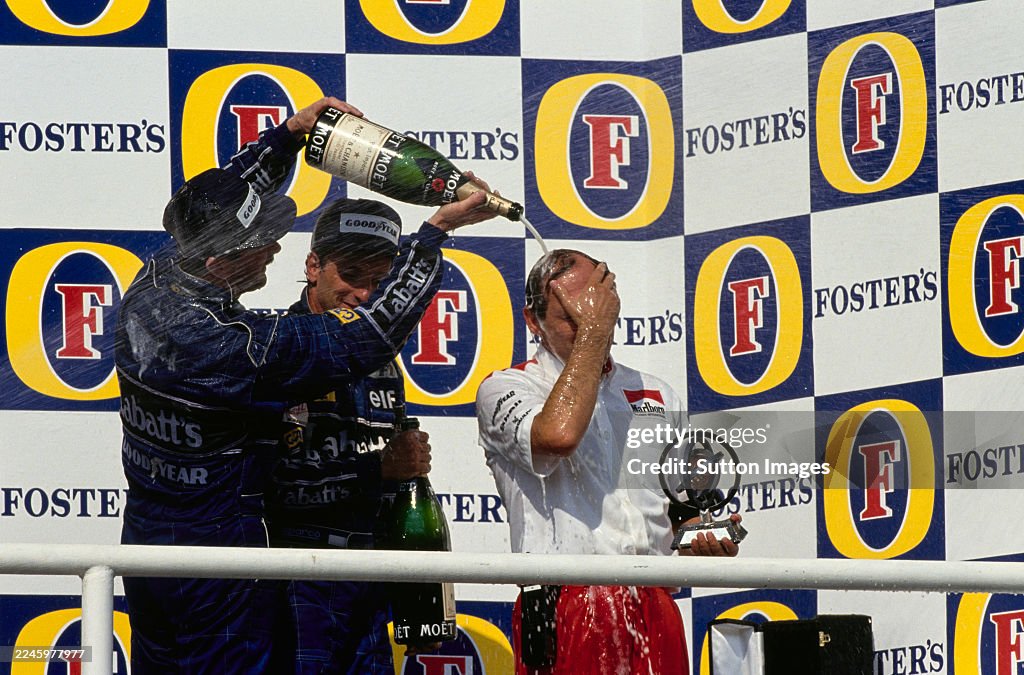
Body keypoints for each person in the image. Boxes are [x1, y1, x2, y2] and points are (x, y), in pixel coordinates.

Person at [115, 95, 497, 674]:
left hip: (154, 544)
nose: (274, 244)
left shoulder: (153, 284)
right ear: (222, 261)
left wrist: (291, 134)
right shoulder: (236, 347)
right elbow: (365, 339)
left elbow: (215, 198)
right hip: (218, 568)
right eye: (265, 237)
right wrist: (435, 234)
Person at [475, 249, 741, 675]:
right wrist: (594, 334)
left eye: (600, 308)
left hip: (654, 601)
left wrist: (701, 538)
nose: (591, 322)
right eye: (574, 315)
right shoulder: (507, 387)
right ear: (533, 321)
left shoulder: (655, 392)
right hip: (564, 603)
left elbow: (677, 515)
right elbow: (557, 437)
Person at [267, 197, 445, 673]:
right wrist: (379, 469)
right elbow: (271, 486)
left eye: (380, 280)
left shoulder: (383, 359)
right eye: (351, 274)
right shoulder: (275, 345)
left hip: (371, 578)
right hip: (294, 579)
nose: (365, 294)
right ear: (312, 266)